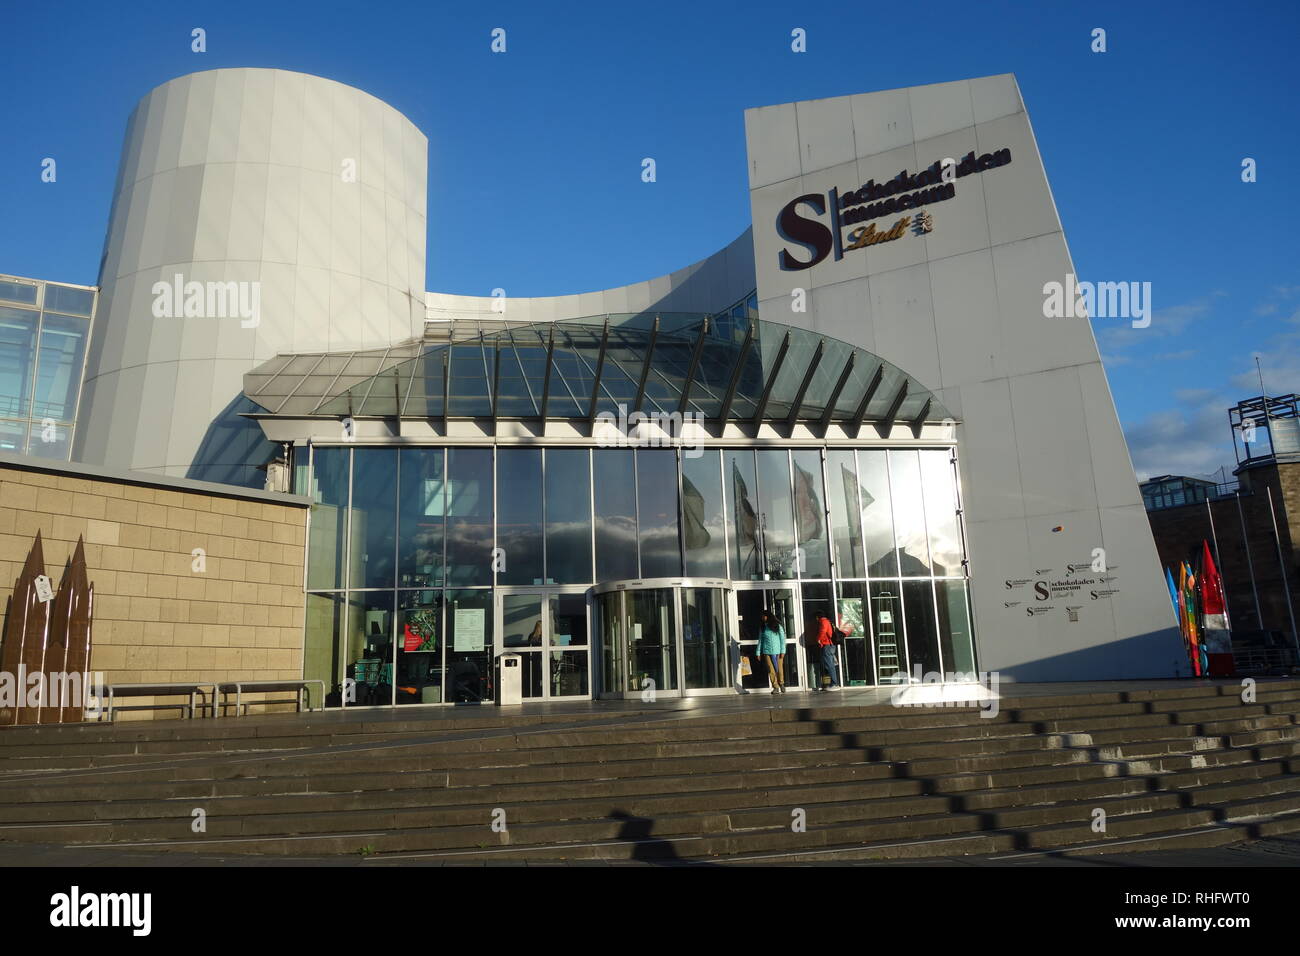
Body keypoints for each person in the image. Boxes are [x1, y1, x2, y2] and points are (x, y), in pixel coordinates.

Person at [758, 610, 786, 694]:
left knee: (779, 669)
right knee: (771, 670)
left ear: (768, 616)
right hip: (767, 652)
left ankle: (781, 683)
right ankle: (775, 687)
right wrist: (758, 652)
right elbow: (760, 641)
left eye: (764, 616)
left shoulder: (777, 626)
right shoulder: (763, 627)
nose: (763, 618)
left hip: (777, 652)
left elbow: (782, 639)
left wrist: (782, 651)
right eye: (762, 616)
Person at [813, 611, 841, 691]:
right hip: (829, 645)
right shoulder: (827, 621)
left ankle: (834, 683)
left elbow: (823, 631)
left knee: (829, 665)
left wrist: (818, 639)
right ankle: (832, 683)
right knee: (829, 664)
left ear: (818, 617)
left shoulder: (823, 621)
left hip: (827, 645)